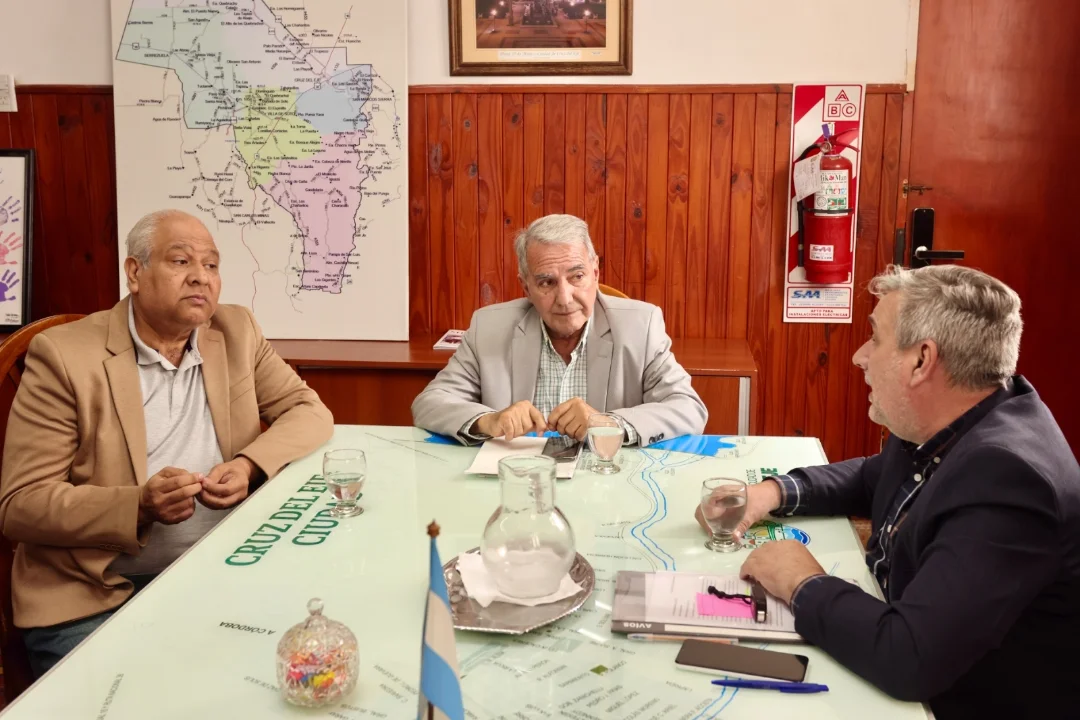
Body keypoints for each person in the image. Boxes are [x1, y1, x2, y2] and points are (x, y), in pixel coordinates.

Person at [696, 264, 1080, 718]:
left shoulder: (1010, 480)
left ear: (921, 361)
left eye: (875, 338)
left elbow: (908, 656)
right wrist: (772, 492)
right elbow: (870, 477)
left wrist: (802, 581)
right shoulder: (953, 419)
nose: (859, 356)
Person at [0, 209, 333, 676]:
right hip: (94, 594)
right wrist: (138, 505)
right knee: (141, 700)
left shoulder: (236, 330)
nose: (201, 277)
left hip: (220, 575)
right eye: (181, 261)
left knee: (302, 672)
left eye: (211, 265)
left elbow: (310, 411)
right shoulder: (64, 355)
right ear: (135, 273)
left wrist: (248, 465)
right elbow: (22, 505)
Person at [412, 214, 706, 446]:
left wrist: (607, 424)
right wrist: (489, 421)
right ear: (526, 287)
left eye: (576, 276)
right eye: (546, 282)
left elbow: (688, 408)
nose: (564, 299)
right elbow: (429, 403)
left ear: (595, 273)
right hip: (521, 483)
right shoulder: (488, 328)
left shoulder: (641, 326)